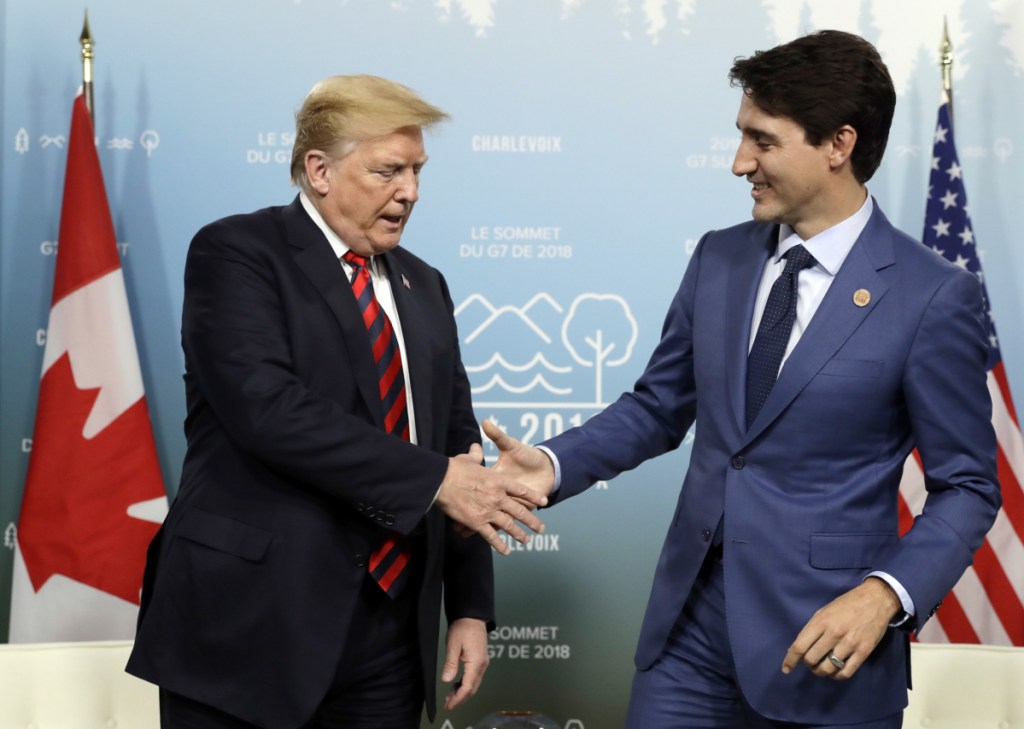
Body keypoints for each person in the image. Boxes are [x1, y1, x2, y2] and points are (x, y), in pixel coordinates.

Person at [484, 31, 1001, 728]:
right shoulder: (719, 259)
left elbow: (968, 486)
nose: (738, 163)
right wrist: (551, 464)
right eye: (740, 137)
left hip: (824, 648)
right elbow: (660, 407)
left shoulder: (932, 295)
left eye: (762, 141)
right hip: (686, 638)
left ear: (838, 145)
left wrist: (884, 595)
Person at [126, 74, 547, 729]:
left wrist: (467, 604)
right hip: (246, 627)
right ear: (319, 170)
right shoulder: (237, 253)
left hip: (387, 638)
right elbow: (269, 409)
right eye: (388, 170)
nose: (409, 191)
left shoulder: (424, 284)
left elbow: (456, 448)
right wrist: (438, 480)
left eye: (416, 171)